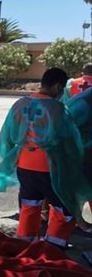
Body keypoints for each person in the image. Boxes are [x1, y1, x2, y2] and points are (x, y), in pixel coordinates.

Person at [0, 68, 85, 248]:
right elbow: (71, 142)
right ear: (58, 86)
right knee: (64, 207)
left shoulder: (19, 104)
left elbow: (6, 135)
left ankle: (25, 245)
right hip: (51, 167)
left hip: (24, 164)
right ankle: (53, 247)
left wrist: (10, 159)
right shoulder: (58, 108)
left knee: (30, 203)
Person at [66, 87, 92, 233]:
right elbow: (65, 130)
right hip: (77, 151)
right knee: (76, 187)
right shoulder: (82, 105)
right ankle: (77, 221)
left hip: (84, 149)